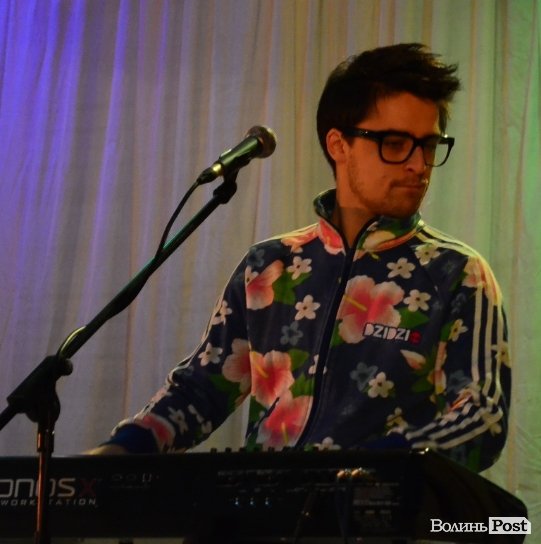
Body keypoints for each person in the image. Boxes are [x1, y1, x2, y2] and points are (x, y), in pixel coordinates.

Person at [90, 43, 510, 473]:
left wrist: (380, 468)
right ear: (339, 145)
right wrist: (120, 450)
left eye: (430, 145)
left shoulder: (457, 273)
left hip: (379, 507)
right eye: (396, 143)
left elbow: (482, 417)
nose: (419, 165)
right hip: (264, 507)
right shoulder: (269, 265)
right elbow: (201, 389)